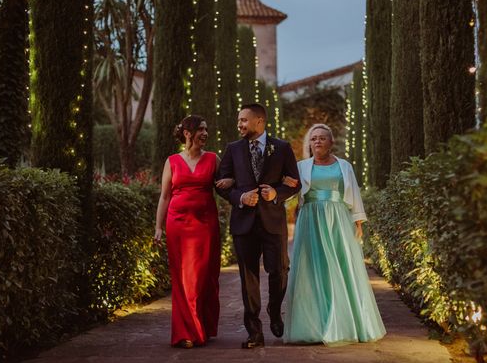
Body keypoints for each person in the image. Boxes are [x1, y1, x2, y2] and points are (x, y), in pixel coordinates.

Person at [283, 123, 386, 345]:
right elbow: (290, 189)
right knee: (313, 268)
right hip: (310, 219)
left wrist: (358, 221)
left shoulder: (344, 166)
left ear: (331, 143)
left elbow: (354, 193)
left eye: (322, 138)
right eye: (314, 138)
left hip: (338, 219)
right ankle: (314, 325)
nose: (317, 141)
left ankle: (343, 322)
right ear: (310, 144)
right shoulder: (301, 166)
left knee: (341, 265)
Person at [216, 103, 301, 349]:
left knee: (280, 271)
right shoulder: (232, 149)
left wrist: (276, 193)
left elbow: (295, 184)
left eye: (244, 120)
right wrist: (240, 198)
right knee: (248, 277)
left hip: (273, 222)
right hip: (243, 224)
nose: (239, 124)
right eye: (239, 120)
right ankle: (254, 331)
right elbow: (221, 184)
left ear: (259, 121)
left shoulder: (282, 148)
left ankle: (275, 311)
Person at [154, 115, 233, 348]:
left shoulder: (213, 159)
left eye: (206, 129)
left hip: (205, 225)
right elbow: (165, 195)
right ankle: (186, 331)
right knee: (182, 277)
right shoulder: (172, 161)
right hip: (177, 224)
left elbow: (225, 187)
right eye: (200, 129)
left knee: (203, 276)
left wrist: (229, 183)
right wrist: (158, 227)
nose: (205, 133)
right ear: (187, 133)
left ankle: (203, 325)